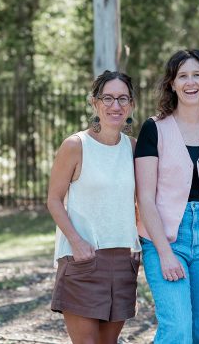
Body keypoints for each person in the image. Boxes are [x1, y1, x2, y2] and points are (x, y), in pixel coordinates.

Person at [135, 49, 199, 344]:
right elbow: (145, 196)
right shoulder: (154, 129)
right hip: (166, 239)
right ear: (172, 83)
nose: (190, 82)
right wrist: (165, 253)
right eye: (182, 76)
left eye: (197, 75)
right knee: (177, 330)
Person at [47, 70, 140, 344]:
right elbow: (53, 199)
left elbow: (140, 201)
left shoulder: (134, 148)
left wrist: (137, 245)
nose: (115, 106)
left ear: (131, 105)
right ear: (94, 103)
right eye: (107, 98)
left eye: (123, 99)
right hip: (83, 259)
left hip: (123, 260)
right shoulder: (76, 145)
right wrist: (76, 242)